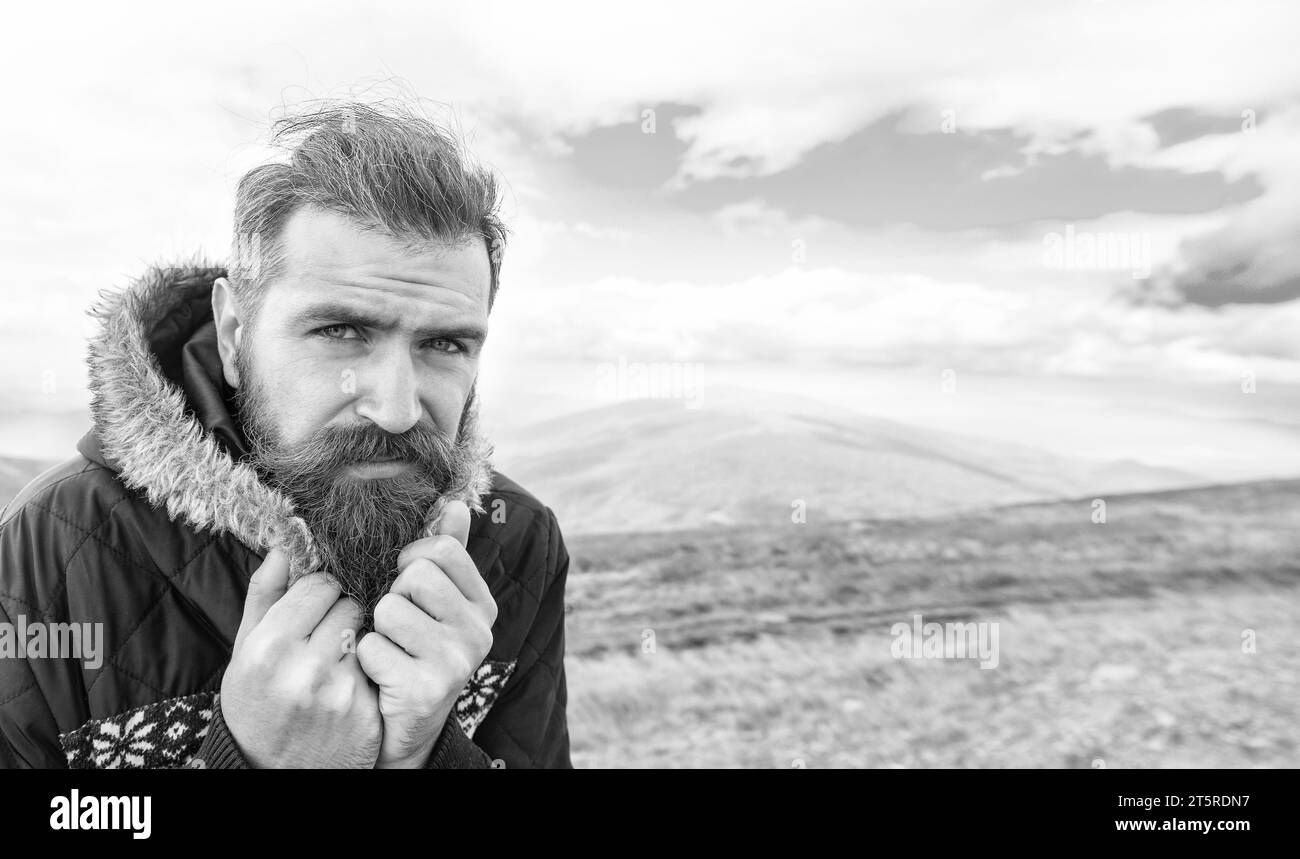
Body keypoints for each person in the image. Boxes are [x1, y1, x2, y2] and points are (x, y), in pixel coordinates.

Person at [0, 101, 571, 768]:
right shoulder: (50, 550)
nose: (395, 408)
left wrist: (429, 755)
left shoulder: (515, 543)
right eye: (340, 331)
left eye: (444, 343)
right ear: (235, 333)